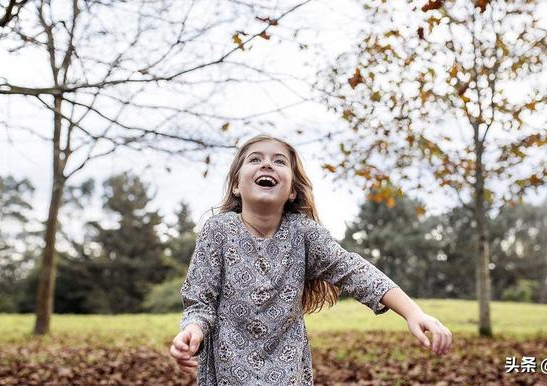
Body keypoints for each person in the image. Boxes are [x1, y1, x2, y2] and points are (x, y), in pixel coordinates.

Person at [169, 134, 452, 385]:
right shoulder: (218, 230)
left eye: (279, 161)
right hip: (227, 371)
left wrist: (413, 312)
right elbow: (200, 299)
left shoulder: (304, 233)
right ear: (236, 186)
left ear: (292, 190)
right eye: (255, 159)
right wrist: (192, 331)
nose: (267, 164)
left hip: (287, 373)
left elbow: (353, 270)